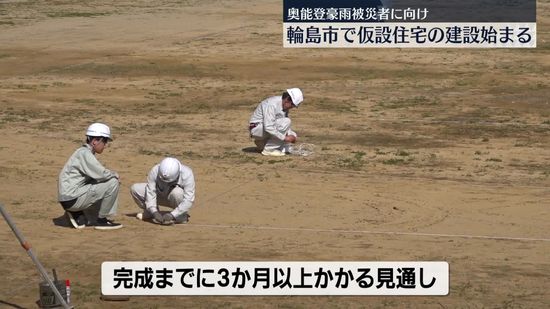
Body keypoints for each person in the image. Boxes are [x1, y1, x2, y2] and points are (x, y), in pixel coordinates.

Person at [58, 123, 122, 230]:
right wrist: (115, 174)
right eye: (105, 141)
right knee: (112, 182)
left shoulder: (83, 152)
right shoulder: (84, 153)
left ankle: (77, 214)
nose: (106, 145)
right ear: (95, 141)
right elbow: (101, 174)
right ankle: (101, 221)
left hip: (69, 197)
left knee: (101, 182)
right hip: (72, 198)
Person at [131, 157, 195, 225]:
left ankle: (180, 217)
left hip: (174, 198)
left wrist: (172, 215)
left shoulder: (187, 173)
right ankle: (150, 213)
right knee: (135, 189)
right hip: (159, 193)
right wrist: (154, 212)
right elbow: (150, 192)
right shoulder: (155, 170)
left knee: (177, 193)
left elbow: (188, 200)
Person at [249, 88, 303, 156]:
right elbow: (269, 127)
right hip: (257, 129)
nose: (292, 107)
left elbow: (282, 123)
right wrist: (285, 138)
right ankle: (269, 150)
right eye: (292, 105)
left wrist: (291, 136)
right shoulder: (271, 104)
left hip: (263, 129)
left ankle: (262, 143)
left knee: (293, 134)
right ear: (287, 99)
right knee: (286, 122)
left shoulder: (283, 105)